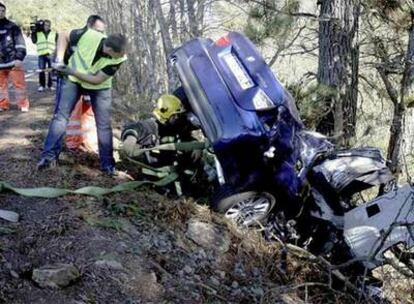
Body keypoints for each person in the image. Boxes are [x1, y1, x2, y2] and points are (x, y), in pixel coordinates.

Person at [37, 26, 128, 176]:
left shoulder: (120, 58)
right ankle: (48, 158)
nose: (121, 57)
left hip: (99, 86)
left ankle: (107, 166)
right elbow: (63, 34)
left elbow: (96, 80)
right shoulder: (88, 35)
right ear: (109, 49)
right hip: (72, 81)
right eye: (118, 54)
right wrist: (59, 60)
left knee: (104, 124)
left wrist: (71, 70)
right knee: (60, 117)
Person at [64, 15, 106, 152]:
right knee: (74, 113)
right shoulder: (76, 36)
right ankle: (73, 143)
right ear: (89, 26)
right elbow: (65, 58)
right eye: (97, 30)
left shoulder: (102, 42)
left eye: (102, 32)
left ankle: (90, 143)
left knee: (89, 114)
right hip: (73, 83)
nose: (100, 34)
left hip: (90, 84)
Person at [0, 2, 29, 112]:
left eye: (3, 11)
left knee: (19, 85)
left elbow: (20, 44)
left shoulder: (12, 26)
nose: (1, 13)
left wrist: (19, 58)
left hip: (13, 62)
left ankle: (23, 104)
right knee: (1, 87)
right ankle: (3, 105)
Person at [31, 19, 57, 92]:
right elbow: (34, 41)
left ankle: (50, 85)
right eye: (45, 25)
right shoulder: (38, 33)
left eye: (48, 25)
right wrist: (33, 32)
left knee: (51, 70)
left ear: (50, 26)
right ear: (43, 25)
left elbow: (58, 43)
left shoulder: (54, 33)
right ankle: (41, 85)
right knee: (41, 70)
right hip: (41, 54)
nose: (47, 27)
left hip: (51, 54)